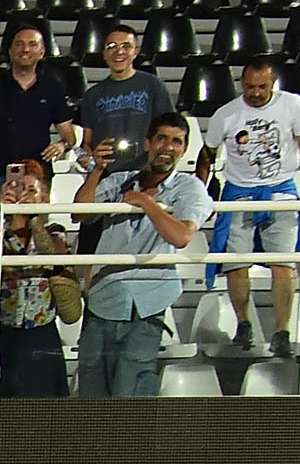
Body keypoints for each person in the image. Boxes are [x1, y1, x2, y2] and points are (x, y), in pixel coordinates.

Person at [76, 114, 216, 399]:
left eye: (177, 141)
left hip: (148, 301)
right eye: (162, 139)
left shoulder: (189, 187)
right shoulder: (120, 180)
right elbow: (79, 212)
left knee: (132, 393)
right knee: (91, 392)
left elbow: (181, 235)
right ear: (148, 143)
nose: (168, 147)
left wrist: (145, 202)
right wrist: (97, 170)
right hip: (103, 296)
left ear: (184, 149)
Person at [203, 57, 300, 357]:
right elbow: (208, 153)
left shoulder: (291, 104)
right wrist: (202, 191)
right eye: (250, 87)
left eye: (262, 87)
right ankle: (243, 323)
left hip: (281, 191)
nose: (255, 93)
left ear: (273, 83)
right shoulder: (225, 114)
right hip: (238, 193)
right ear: (242, 83)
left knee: (283, 263)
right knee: (236, 264)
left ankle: (282, 330)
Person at [0, 22, 75, 204]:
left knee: (36, 223)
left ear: (42, 52)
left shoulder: (52, 87)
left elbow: (69, 135)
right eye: (19, 44)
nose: (25, 49)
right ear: (10, 51)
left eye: (32, 44)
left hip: (37, 178)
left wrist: (62, 145)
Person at [0, 159, 75, 397]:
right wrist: (1, 213)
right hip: (3, 331)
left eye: (31, 190)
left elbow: (53, 256)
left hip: (41, 332)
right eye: (20, 189)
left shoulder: (55, 231)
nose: (24, 195)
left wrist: (34, 219)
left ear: (44, 198)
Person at [74, 23, 177, 178]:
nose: (119, 52)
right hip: (106, 176)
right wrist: (89, 156)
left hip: (146, 174)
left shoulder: (153, 85)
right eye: (112, 46)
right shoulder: (93, 95)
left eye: (126, 46)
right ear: (104, 53)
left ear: (136, 51)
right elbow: (87, 143)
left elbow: (169, 129)